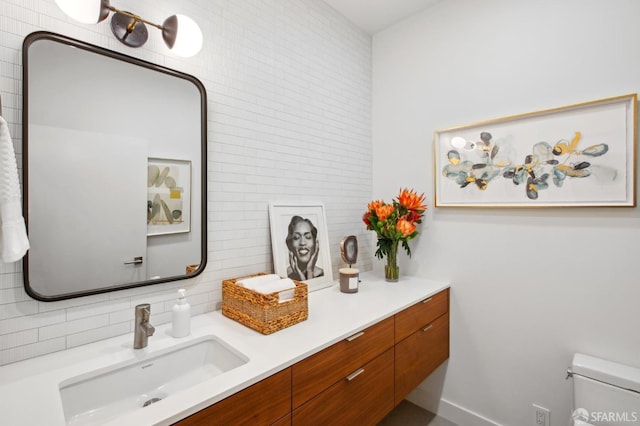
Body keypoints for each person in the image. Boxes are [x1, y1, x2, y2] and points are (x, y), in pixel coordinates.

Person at [286, 216, 324, 280]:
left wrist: (310, 271)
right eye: (296, 237)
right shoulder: (284, 275)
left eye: (308, 237)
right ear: (290, 244)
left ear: (315, 243)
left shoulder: (324, 275)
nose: (302, 243)